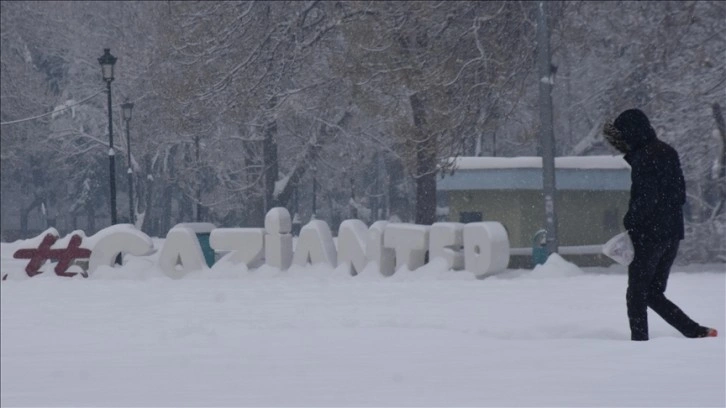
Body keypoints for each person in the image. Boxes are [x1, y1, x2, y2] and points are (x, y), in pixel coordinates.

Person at [603, 108, 718, 341]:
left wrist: (630, 222)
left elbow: (646, 198)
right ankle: (695, 331)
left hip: (649, 235)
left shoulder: (645, 157)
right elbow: (679, 194)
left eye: (622, 135)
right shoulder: (667, 152)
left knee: (637, 293)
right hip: (672, 234)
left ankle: (640, 342)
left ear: (631, 133)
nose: (621, 142)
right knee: (652, 292)